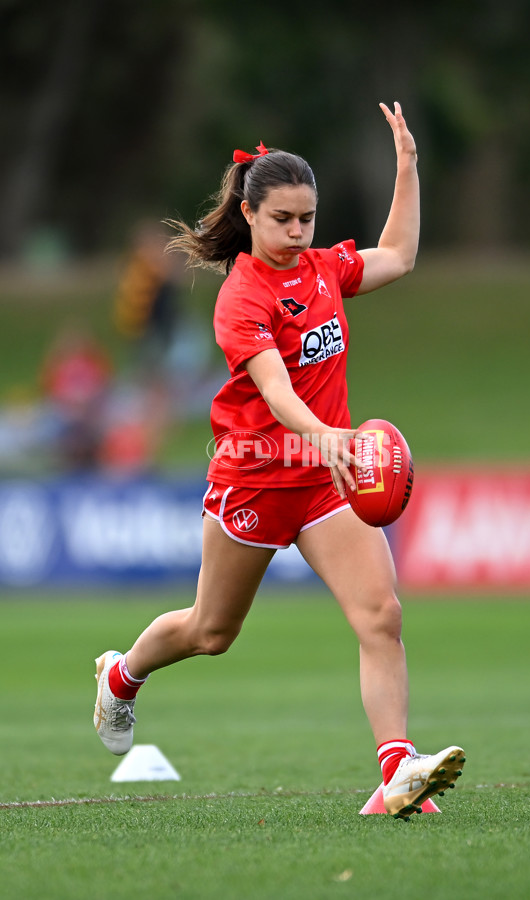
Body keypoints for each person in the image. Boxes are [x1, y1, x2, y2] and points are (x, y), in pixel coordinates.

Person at [93, 102, 465, 820]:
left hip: (327, 485)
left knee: (381, 615)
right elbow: (276, 389)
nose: (298, 233)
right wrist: (327, 435)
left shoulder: (324, 270)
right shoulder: (241, 297)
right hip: (255, 480)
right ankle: (123, 674)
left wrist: (409, 169)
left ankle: (395, 776)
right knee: (212, 632)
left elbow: (402, 256)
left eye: (308, 218)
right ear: (251, 216)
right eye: (283, 220)